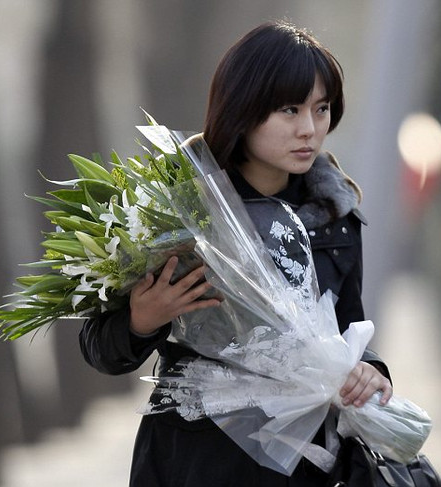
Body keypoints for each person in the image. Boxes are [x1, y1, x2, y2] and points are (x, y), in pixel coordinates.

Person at [79, 20, 392, 486]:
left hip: (304, 464)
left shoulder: (334, 215)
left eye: (321, 109)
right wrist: (143, 319)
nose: (309, 129)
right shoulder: (177, 210)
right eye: (289, 109)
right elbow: (100, 348)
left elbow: (350, 330)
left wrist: (373, 374)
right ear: (244, 108)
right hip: (197, 461)